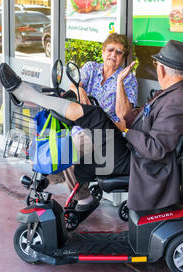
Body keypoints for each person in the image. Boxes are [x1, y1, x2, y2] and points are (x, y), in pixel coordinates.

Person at [0, 39, 183, 220]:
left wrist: (126, 131)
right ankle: (61, 182)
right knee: (78, 143)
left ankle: (27, 95)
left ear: (162, 70)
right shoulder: (174, 94)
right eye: (110, 50)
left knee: (95, 116)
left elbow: (156, 148)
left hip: (141, 161)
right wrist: (124, 125)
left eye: (157, 65)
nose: (114, 55)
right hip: (133, 151)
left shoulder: (179, 100)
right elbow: (142, 117)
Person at [54, 33, 138, 213]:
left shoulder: (129, 79)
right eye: (110, 50)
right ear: (102, 52)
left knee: (68, 151)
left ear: (123, 57)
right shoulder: (91, 68)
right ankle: (76, 191)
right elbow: (74, 86)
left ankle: (84, 199)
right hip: (82, 127)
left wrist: (119, 83)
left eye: (119, 52)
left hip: (108, 134)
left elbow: (124, 115)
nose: (113, 55)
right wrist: (80, 90)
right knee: (59, 147)